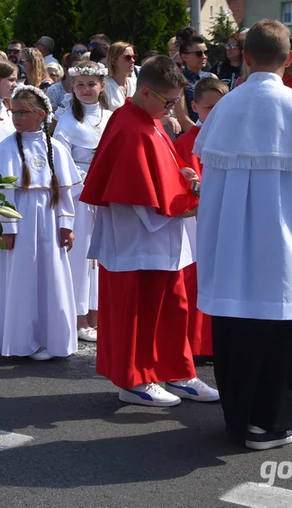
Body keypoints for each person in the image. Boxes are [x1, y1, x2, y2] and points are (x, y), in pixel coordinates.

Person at [195, 19, 292, 450]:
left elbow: (210, 177)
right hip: (281, 240)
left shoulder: (225, 107)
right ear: (289, 59)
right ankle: (269, 423)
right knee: (276, 330)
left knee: (232, 329)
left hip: (227, 241)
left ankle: (237, 419)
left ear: (245, 57)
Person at [81, 57, 216, 407]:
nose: (172, 109)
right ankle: (134, 380)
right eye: (168, 101)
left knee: (174, 306)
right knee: (136, 310)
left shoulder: (150, 119)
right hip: (138, 237)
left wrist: (185, 179)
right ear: (145, 92)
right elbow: (134, 189)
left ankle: (177, 371)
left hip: (164, 233)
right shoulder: (129, 126)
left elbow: (161, 170)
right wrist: (188, 205)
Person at [0, 86, 78, 361]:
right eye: (14, 112)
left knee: (51, 277)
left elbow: (64, 191)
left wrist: (66, 224)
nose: (17, 118)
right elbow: (2, 191)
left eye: (23, 112)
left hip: (48, 218)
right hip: (19, 221)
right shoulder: (5, 147)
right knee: (20, 278)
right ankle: (21, 339)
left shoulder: (55, 147)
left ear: (41, 115)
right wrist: (6, 228)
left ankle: (50, 338)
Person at [53, 62, 110, 341]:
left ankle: (100, 314)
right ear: (72, 89)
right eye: (80, 85)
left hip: (107, 193)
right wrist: (86, 178)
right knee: (81, 256)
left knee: (103, 257)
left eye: (91, 84)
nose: (86, 90)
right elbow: (60, 162)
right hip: (80, 194)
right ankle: (79, 317)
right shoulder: (67, 121)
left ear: (102, 86)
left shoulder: (111, 117)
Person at [173, 78, 228, 360]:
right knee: (196, 279)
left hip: (227, 220)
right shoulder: (185, 143)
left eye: (223, 106)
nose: (217, 113)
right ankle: (197, 343)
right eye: (210, 107)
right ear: (194, 107)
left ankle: (220, 340)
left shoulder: (236, 139)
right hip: (196, 222)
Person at [104, 42, 137, 110]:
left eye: (134, 57)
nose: (132, 60)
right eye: (128, 57)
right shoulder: (104, 86)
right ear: (113, 61)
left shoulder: (136, 83)